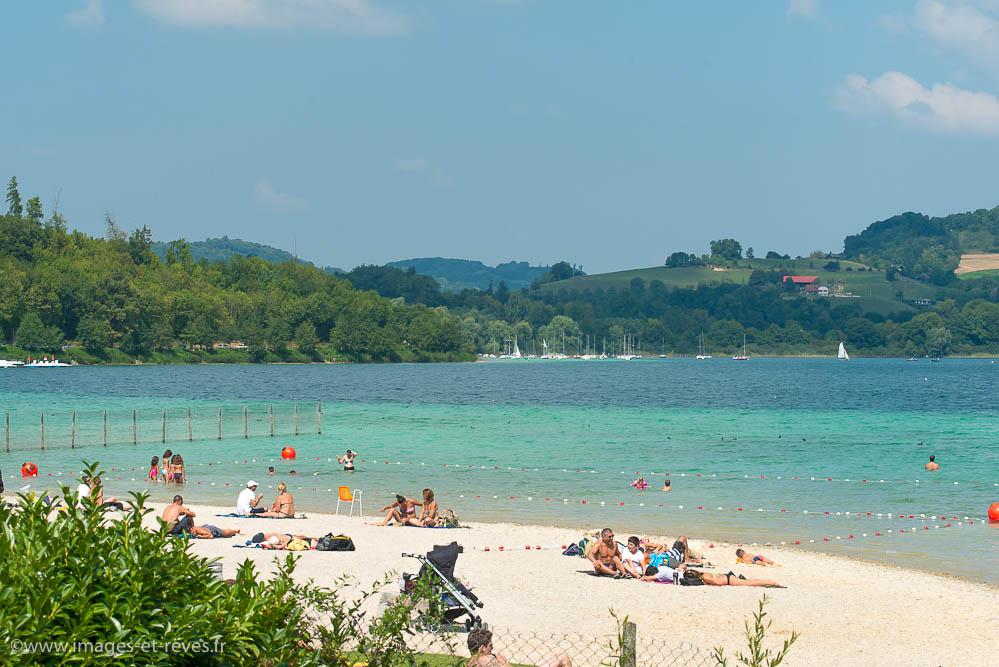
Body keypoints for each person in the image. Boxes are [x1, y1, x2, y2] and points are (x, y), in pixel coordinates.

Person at [467, 628, 571, 667]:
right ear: (481, 648)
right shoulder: (487, 659)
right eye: (490, 646)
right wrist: (502, 660)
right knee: (563, 658)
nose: (492, 649)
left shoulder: (469, 664)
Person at [683, 569, 781, 587]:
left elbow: (718, 583)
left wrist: (706, 584)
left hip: (729, 580)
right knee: (748, 581)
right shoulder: (703, 573)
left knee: (749, 583)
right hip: (728, 576)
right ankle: (767, 581)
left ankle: (771, 582)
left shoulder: (705, 578)